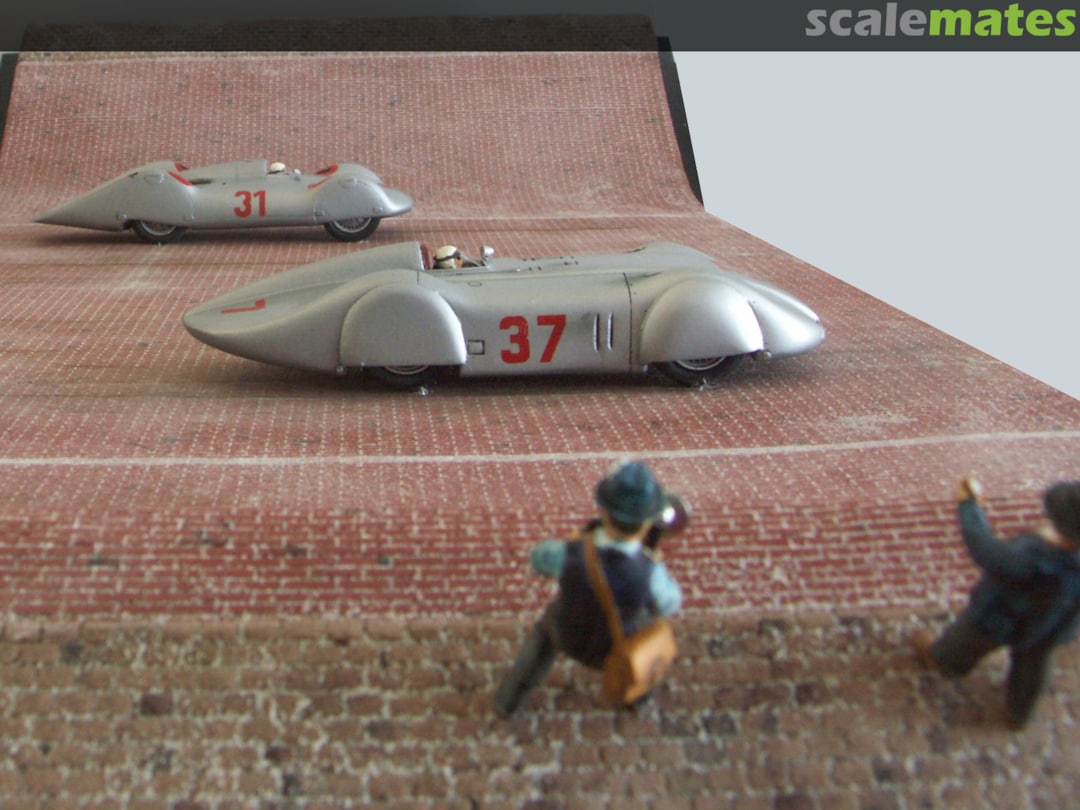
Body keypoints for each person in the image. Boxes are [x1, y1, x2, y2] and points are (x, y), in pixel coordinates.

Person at [495, 460, 683, 717]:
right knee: (646, 622)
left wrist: (575, 540)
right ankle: (638, 696)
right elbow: (670, 603)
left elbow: (539, 559)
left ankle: (508, 701)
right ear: (646, 523)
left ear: (604, 512)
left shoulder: (573, 553)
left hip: (569, 635)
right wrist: (650, 562)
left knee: (543, 633)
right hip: (617, 648)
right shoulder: (650, 571)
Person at [911, 477, 1080, 728]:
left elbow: (985, 550)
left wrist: (969, 506)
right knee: (1034, 666)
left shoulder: (1037, 561)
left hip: (1000, 618)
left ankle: (943, 660)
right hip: (1051, 627)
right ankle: (1020, 713)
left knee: (963, 643)